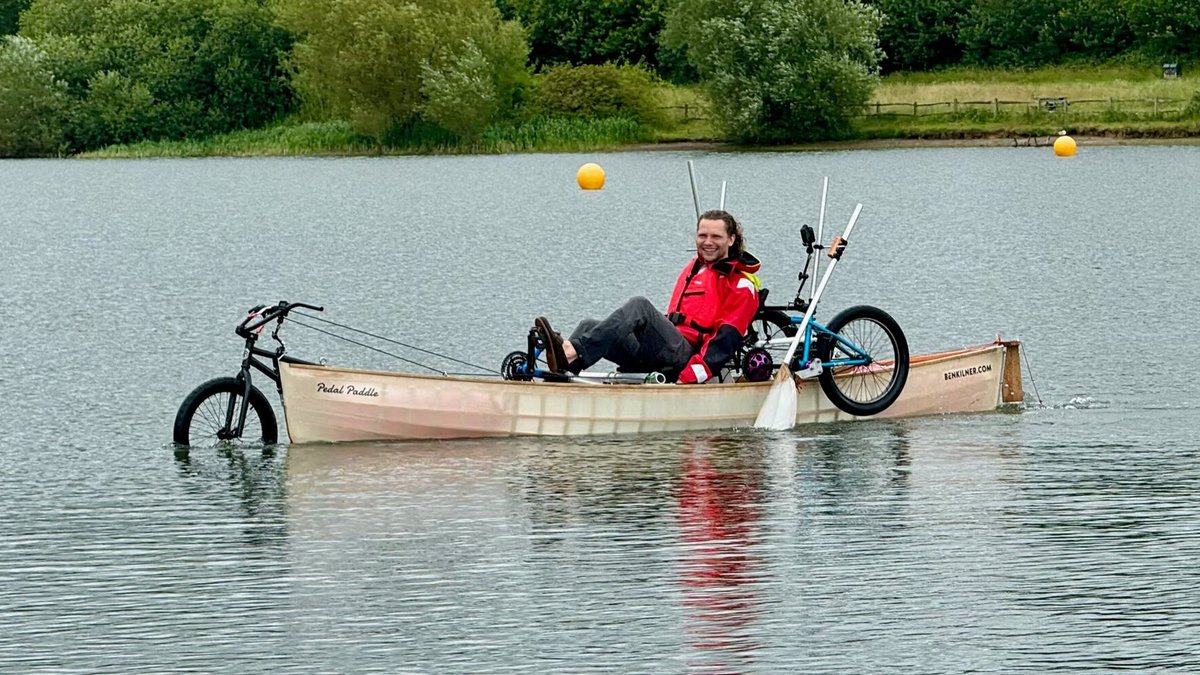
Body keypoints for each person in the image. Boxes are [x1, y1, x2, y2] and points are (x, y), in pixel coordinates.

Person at [536, 209, 761, 384]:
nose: (707, 242)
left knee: (640, 305)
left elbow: (725, 342)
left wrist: (691, 376)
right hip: (658, 350)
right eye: (702, 235)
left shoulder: (741, 285)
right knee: (588, 325)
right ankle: (560, 378)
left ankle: (571, 351)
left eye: (716, 236)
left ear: (731, 240)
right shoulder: (695, 268)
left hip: (683, 359)